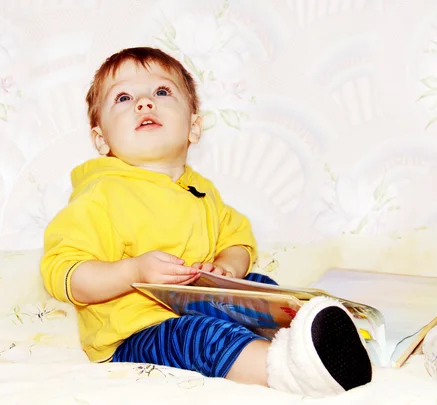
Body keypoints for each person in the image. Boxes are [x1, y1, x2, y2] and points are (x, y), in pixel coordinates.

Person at [40, 47, 372, 397]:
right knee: (199, 337)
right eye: (123, 97)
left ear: (193, 127)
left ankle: (319, 338)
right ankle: (285, 370)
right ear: (101, 139)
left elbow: (238, 238)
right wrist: (133, 271)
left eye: (162, 92)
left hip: (200, 302)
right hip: (135, 332)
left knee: (261, 286)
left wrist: (228, 266)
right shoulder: (100, 194)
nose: (144, 103)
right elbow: (66, 274)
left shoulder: (200, 190)